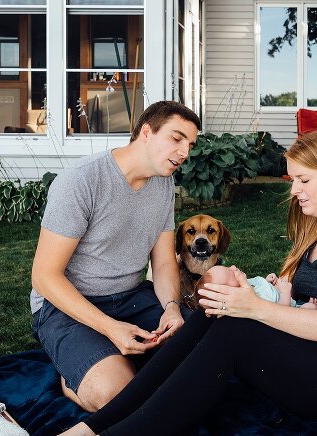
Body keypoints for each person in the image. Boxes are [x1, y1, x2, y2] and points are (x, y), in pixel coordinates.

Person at [9, 130, 317, 436]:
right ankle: (94, 428)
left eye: (304, 180)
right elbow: (297, 301)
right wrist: (263, 291)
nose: (294, 191)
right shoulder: (315, 229)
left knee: (235, 327)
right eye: (293, 181)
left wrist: (254, 308)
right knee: (213, 314)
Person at [29, 101, 201, 412]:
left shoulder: (163, 184)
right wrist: (110, 327)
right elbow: (44, 276)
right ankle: (74, 377)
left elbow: (162, 263)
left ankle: (104, 358)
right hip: (65, 305)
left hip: (129, 298)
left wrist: (172, 309)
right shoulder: (81, 181)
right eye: (176, 139)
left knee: (205, 354)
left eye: (190, 144)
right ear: (146, 132)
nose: (185, 152)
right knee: (115, 395)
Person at [197, 265, 317, 309]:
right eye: (231, 274)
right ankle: (314, 309)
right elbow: (281, 311)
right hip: (291, 310)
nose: (234, 267)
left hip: (287, 301)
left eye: (228, 267)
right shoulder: (256, 299)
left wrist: (269, 283)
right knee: (308, 308)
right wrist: (285, 292)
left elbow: (262, 287)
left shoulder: (249, 283)